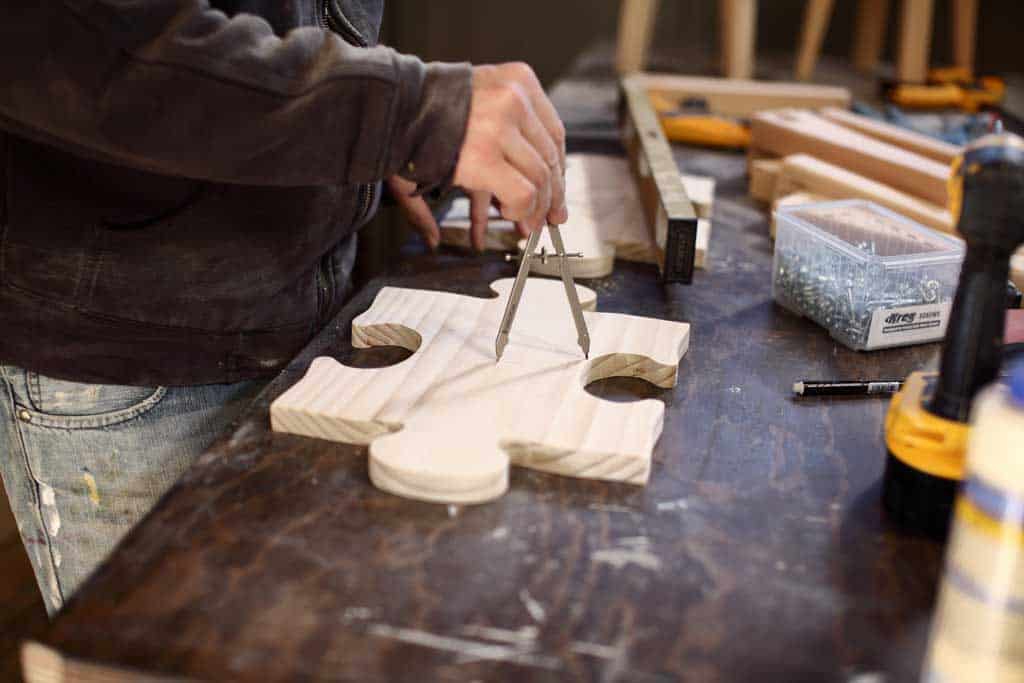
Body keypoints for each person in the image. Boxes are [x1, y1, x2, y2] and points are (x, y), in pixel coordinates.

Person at [0, 0, 568, 614]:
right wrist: (397, 113)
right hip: (134, 358)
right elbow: (81, 50)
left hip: (311, 334)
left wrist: (365, 139)